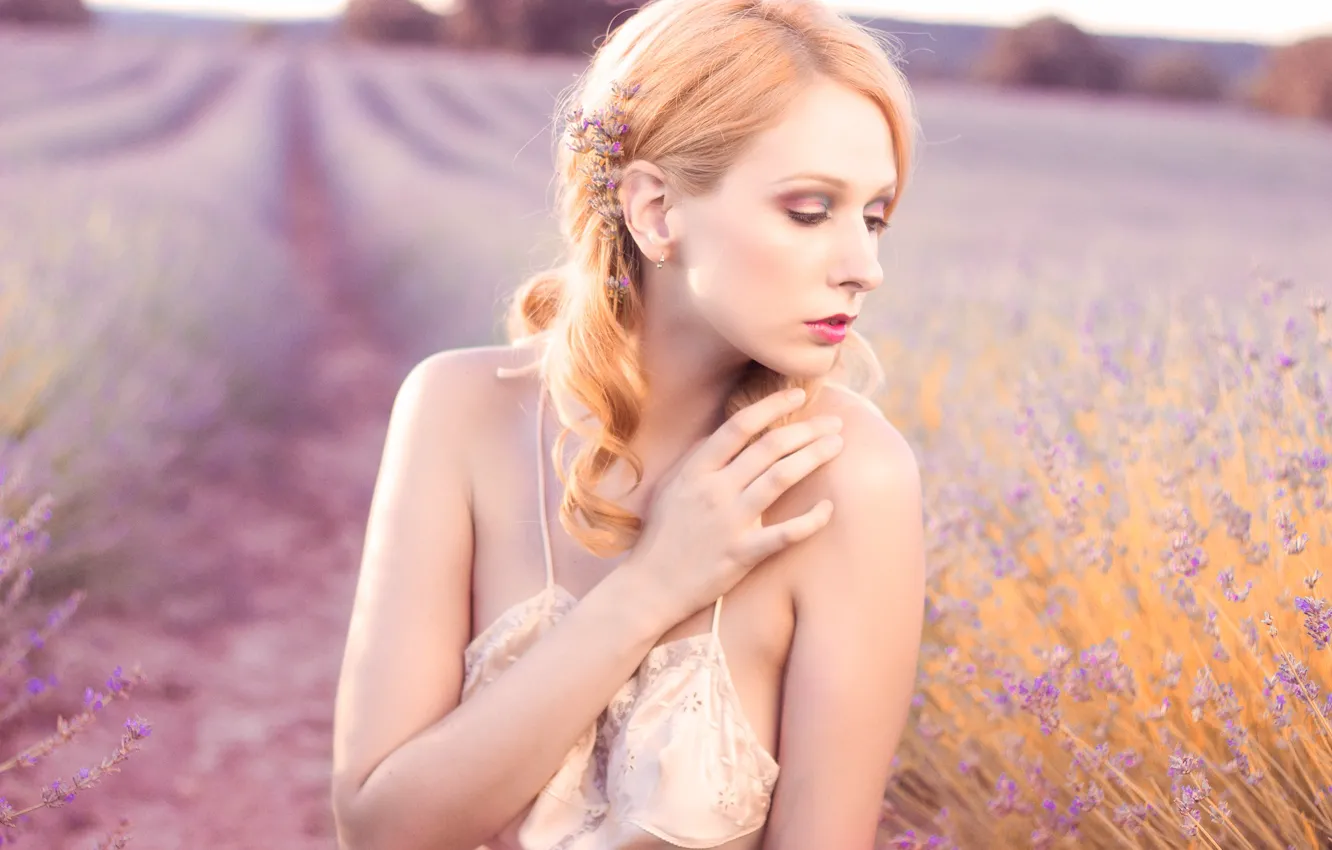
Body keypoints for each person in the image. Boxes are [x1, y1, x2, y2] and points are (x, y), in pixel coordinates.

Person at [330, 1, 926, 848]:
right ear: (653, 210)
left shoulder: (847, 477)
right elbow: (379, 829)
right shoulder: (458, 412)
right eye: (808, 210)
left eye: (874, 217)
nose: (864, 268)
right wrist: (654, 585)